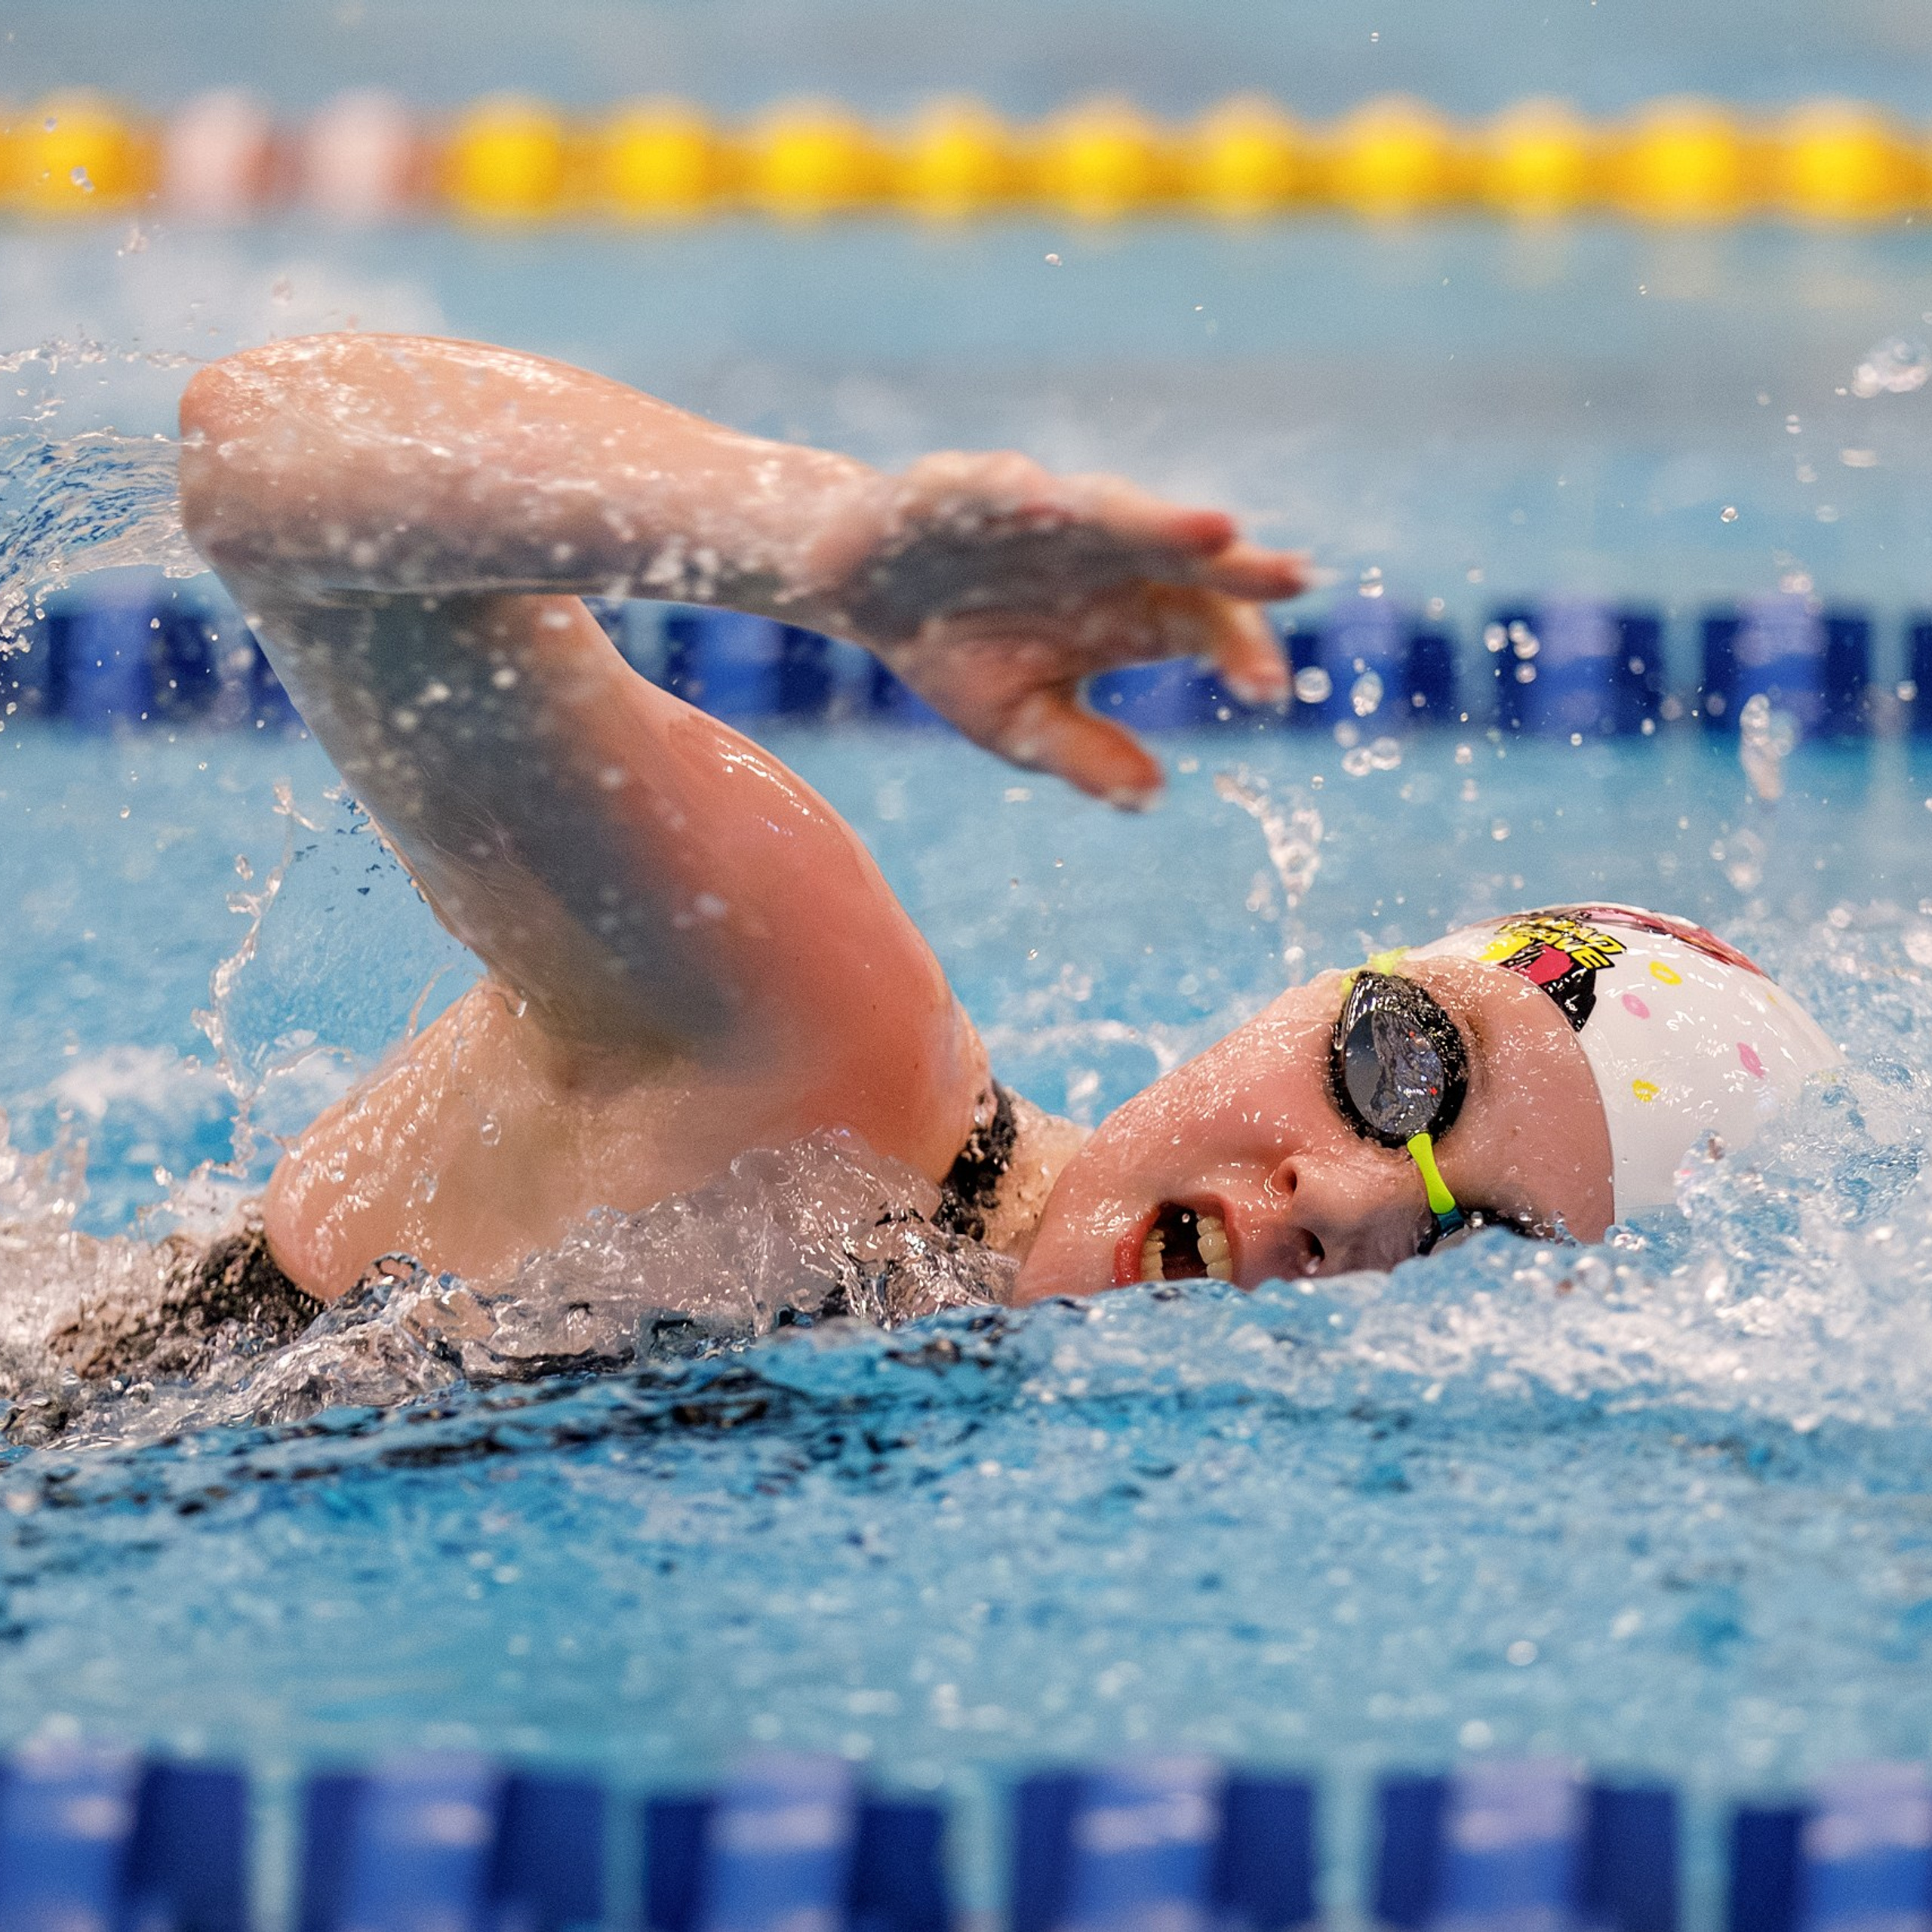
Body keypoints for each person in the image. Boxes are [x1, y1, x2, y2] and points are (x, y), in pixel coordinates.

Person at [162, 332, 1840, 1342]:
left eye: (1472, 1242)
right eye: (1405, 1071)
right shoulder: (804, 1053)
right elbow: (266, 449)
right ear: (1314, 987)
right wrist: (816, 543)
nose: (1333, 1200)